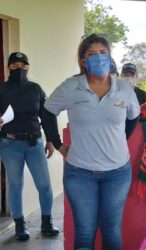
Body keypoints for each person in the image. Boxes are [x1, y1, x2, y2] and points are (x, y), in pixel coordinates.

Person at [43, 34, 140, 250]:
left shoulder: (124, 88)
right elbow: (47, 111)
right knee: (85, 230)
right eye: (91, 54)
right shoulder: (71, 87)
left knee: (111, 229)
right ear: (82, 61)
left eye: (103, 53)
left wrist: (120, 139)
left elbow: (133, 116)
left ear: (110, 56)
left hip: (117, 172)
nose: (98, 58)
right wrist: (58, 144)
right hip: (80, 173)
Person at [0, 52, 59, 241]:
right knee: (16, 185)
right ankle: (19, 225)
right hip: (9, 144)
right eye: (15, 65)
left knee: (44, 185)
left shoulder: (36, 89)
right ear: (9, 67)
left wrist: (50, 140)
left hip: (35, 143)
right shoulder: (1, 90)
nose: (20, 69)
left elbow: (46, 115)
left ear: (28, 67)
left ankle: (47, 222)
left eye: (23, 65)